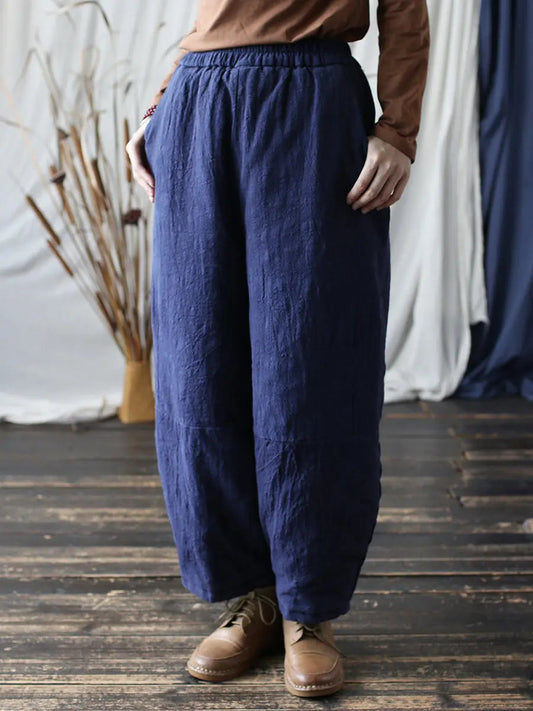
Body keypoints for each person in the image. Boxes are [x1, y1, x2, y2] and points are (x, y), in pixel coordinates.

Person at [126, 0, 430, 699]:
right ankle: (253, 595)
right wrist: (160, 104)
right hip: (200, 104)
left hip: (312, 99)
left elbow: (405, 9)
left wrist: (398, 129)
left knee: (312, 364)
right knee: (200, 364)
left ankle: (308, 606)